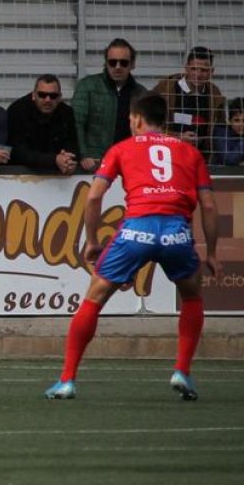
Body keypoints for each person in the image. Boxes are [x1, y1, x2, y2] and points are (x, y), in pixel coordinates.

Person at [45, 93, 220, 401]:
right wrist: (213, 253)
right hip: (176, 234)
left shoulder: (121, 149)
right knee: (192, 296)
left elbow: (95, 197)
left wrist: (93, 241)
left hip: (136, 231)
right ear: (163, 120)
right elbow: (208, 206)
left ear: (137, 119)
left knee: (94, 298)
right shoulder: (190, 153)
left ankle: (67, 380)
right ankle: (182, 371)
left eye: (130, 120)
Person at [72, 38, 147, 171]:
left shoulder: (141, 93)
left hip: (129, 165)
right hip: (93, 164)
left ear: (132, 64)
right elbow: (76, 123)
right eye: (112, 62)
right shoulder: (87, 86)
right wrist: (83, 155)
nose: (117, 67)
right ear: (106, 63)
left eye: (123, 63)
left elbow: (147, 132)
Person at [153, 46, 226, 159]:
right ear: (186, 68)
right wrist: (178, 138)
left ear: (212, 72)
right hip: (167, 156)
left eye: (204, 70)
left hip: (201, 159)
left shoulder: (215, 95)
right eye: (194, 69)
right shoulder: (165, 90)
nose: (198, 74)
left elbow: (220, 130)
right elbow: (149, 127)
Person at [6, 74, 79, 175]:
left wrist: (68, 161)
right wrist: (54, 160)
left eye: (53, 96)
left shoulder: (67, 114)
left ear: (60, 97)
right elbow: (17, 152)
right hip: (21, 175)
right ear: (33, 95)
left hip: (59, 176)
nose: (47, 100)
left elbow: (72, 145)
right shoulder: (17, 111)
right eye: (42, 95)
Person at [210, 97, 244, 166]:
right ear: (229, 121)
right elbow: (229, 159)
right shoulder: (221, 132)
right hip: (223, 174)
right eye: (236, 120)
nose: (241, 125)